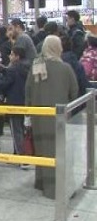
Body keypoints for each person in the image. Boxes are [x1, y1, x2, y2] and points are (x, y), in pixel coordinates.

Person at [26, 36, 78, 199]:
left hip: (38, 116)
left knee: (42, 149)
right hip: (59, 118)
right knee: (58, 151)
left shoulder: (36, 66)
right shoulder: (66, 68)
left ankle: (41, 182)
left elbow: (27, 91)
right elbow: (74, 92)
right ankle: (55, 188)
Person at [0, 46, 31, 157]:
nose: (10, 56)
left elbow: (4, 83)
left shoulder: (13, 69)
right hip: (25, 101)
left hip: (14, 102)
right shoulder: (27, 67)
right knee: (22, 129)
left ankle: (20, 154)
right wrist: (4, 69)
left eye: (12, 54)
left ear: (17, 57)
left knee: (16, 130)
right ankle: (21, 151)